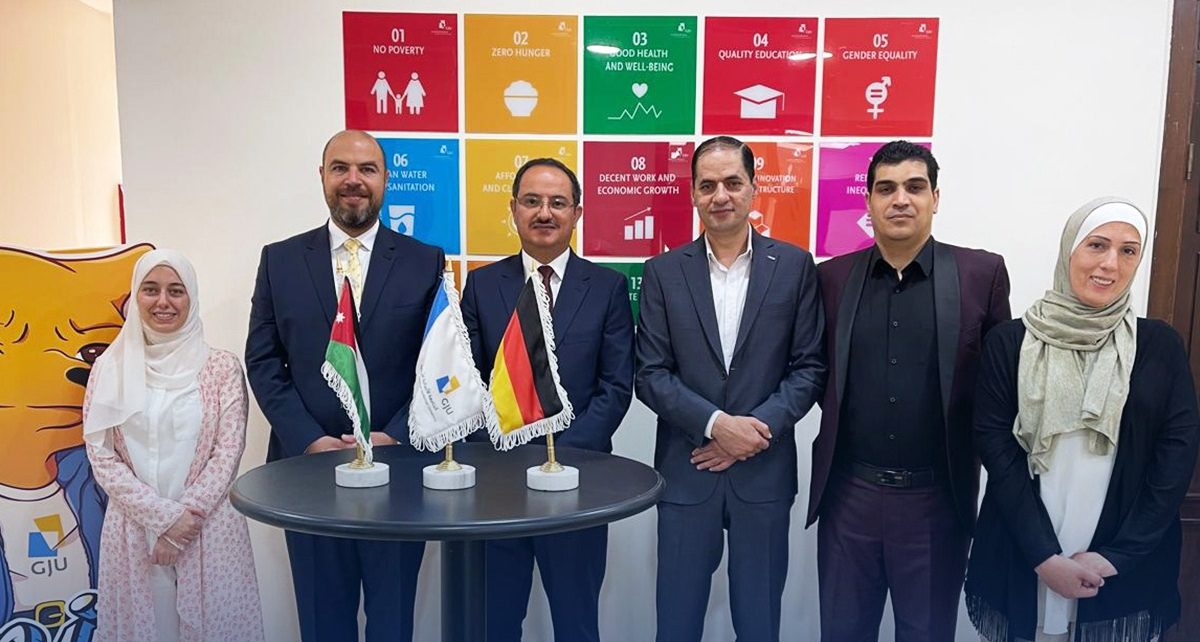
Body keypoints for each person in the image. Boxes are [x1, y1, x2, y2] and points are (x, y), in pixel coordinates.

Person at [966, 197, 1199, 641]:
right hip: (1024, 548)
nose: (1110, 264)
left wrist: (1116, 556)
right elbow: (997, 451)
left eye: (1128, 251)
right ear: (1068, 249)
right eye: (1096, 245)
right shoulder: (1009, 343)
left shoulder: (1160, 346)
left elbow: (1175, 459)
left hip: (1122, 561)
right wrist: (1044, 557)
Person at [245, 130, 444, 642]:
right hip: (306, 475)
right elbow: (263, 361)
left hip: (397, 472)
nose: (353, 180)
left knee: (392, 622)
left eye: (367, 169)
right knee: (322, 623)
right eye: (340, 168)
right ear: (322, 176)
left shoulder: (425, 261)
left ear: (385, 180)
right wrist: (310, 439)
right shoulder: (279, 260)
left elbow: (437, 364)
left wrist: (395, 434)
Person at [809, 140, 1011, 642]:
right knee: (841, 632)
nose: (900, 199)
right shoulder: (830, 278)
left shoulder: (981, 274)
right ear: (869, 201)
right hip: (849, 497)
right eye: (886, 189)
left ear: (935, 198)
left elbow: (999, 387)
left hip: (936, 501)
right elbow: (814, 374)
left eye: (915, 187)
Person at [635, 136, 825, 642]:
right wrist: (718, 426)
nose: (720, 195)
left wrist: (752, 434)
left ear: (754, 188)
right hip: (686, 472)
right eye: (707, 185)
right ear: (693, 194)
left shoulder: (794, 266)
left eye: (732, 183)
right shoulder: (662, 272)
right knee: (676, 625)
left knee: (759, 623)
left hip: (763, 475)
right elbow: (650, 374)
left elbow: (809, 367)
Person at [462, 157, 634, 641]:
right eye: (532, 201)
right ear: (513, 209)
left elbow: (615, 386)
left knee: (577, 624)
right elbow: (469, 382)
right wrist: (512, 455)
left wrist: (560, 458)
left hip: (580, 486)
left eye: (558, 203)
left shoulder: (608, 287)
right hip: (497, 488)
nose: (544, 213)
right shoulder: (482, 285)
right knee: (494, 624)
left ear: (577, 213)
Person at [82, 249, 263, 642]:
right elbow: (101, 454)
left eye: (175, 291)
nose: (163, 301)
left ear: (191, 297)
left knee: (216, 628)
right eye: (151, 289)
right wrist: (163, 518)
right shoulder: (109, 369)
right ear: (136, 295)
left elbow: (227, 452)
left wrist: (183, 522)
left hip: (207, 526)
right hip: (134, 529)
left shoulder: (221, 367)